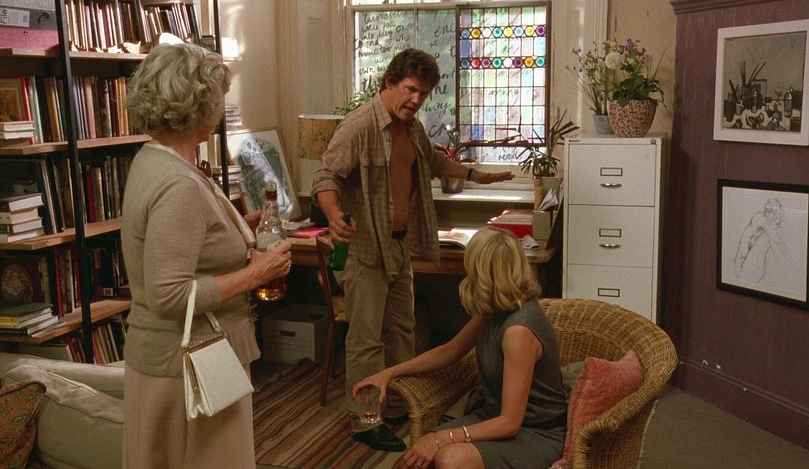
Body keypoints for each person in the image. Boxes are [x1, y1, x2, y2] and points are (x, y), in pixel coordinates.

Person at [312, 47, 515, 452]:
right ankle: (365, 420)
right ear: (389, 83)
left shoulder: (412, 128)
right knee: (367, 339)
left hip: (399, 247)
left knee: (401, 331)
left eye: (423, 93)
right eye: (409, 89)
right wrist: (332, 213)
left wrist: (478, 176)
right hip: (364, 249)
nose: (416, 99)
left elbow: (435, 164)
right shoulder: (359, 126)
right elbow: (325, 176)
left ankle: (396, 406)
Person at [121, 42, 292, 469]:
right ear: (197, 104)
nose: (221, 108)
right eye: (217, 97)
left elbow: (183, 243)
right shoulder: (177, 183)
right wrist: (257, 274)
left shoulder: (155, 160)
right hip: (191, 363)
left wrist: (235, 229)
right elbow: (170, 295)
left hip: (181, 359)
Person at [353, 227, 567, 468]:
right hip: (493, 416)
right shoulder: (495, 308)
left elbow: (510, 423)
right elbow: (449, 350)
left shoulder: (518, 331)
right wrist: (388, 373)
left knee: (449, 458)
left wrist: (442, 438)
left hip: (537, 433)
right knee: (412, 461)